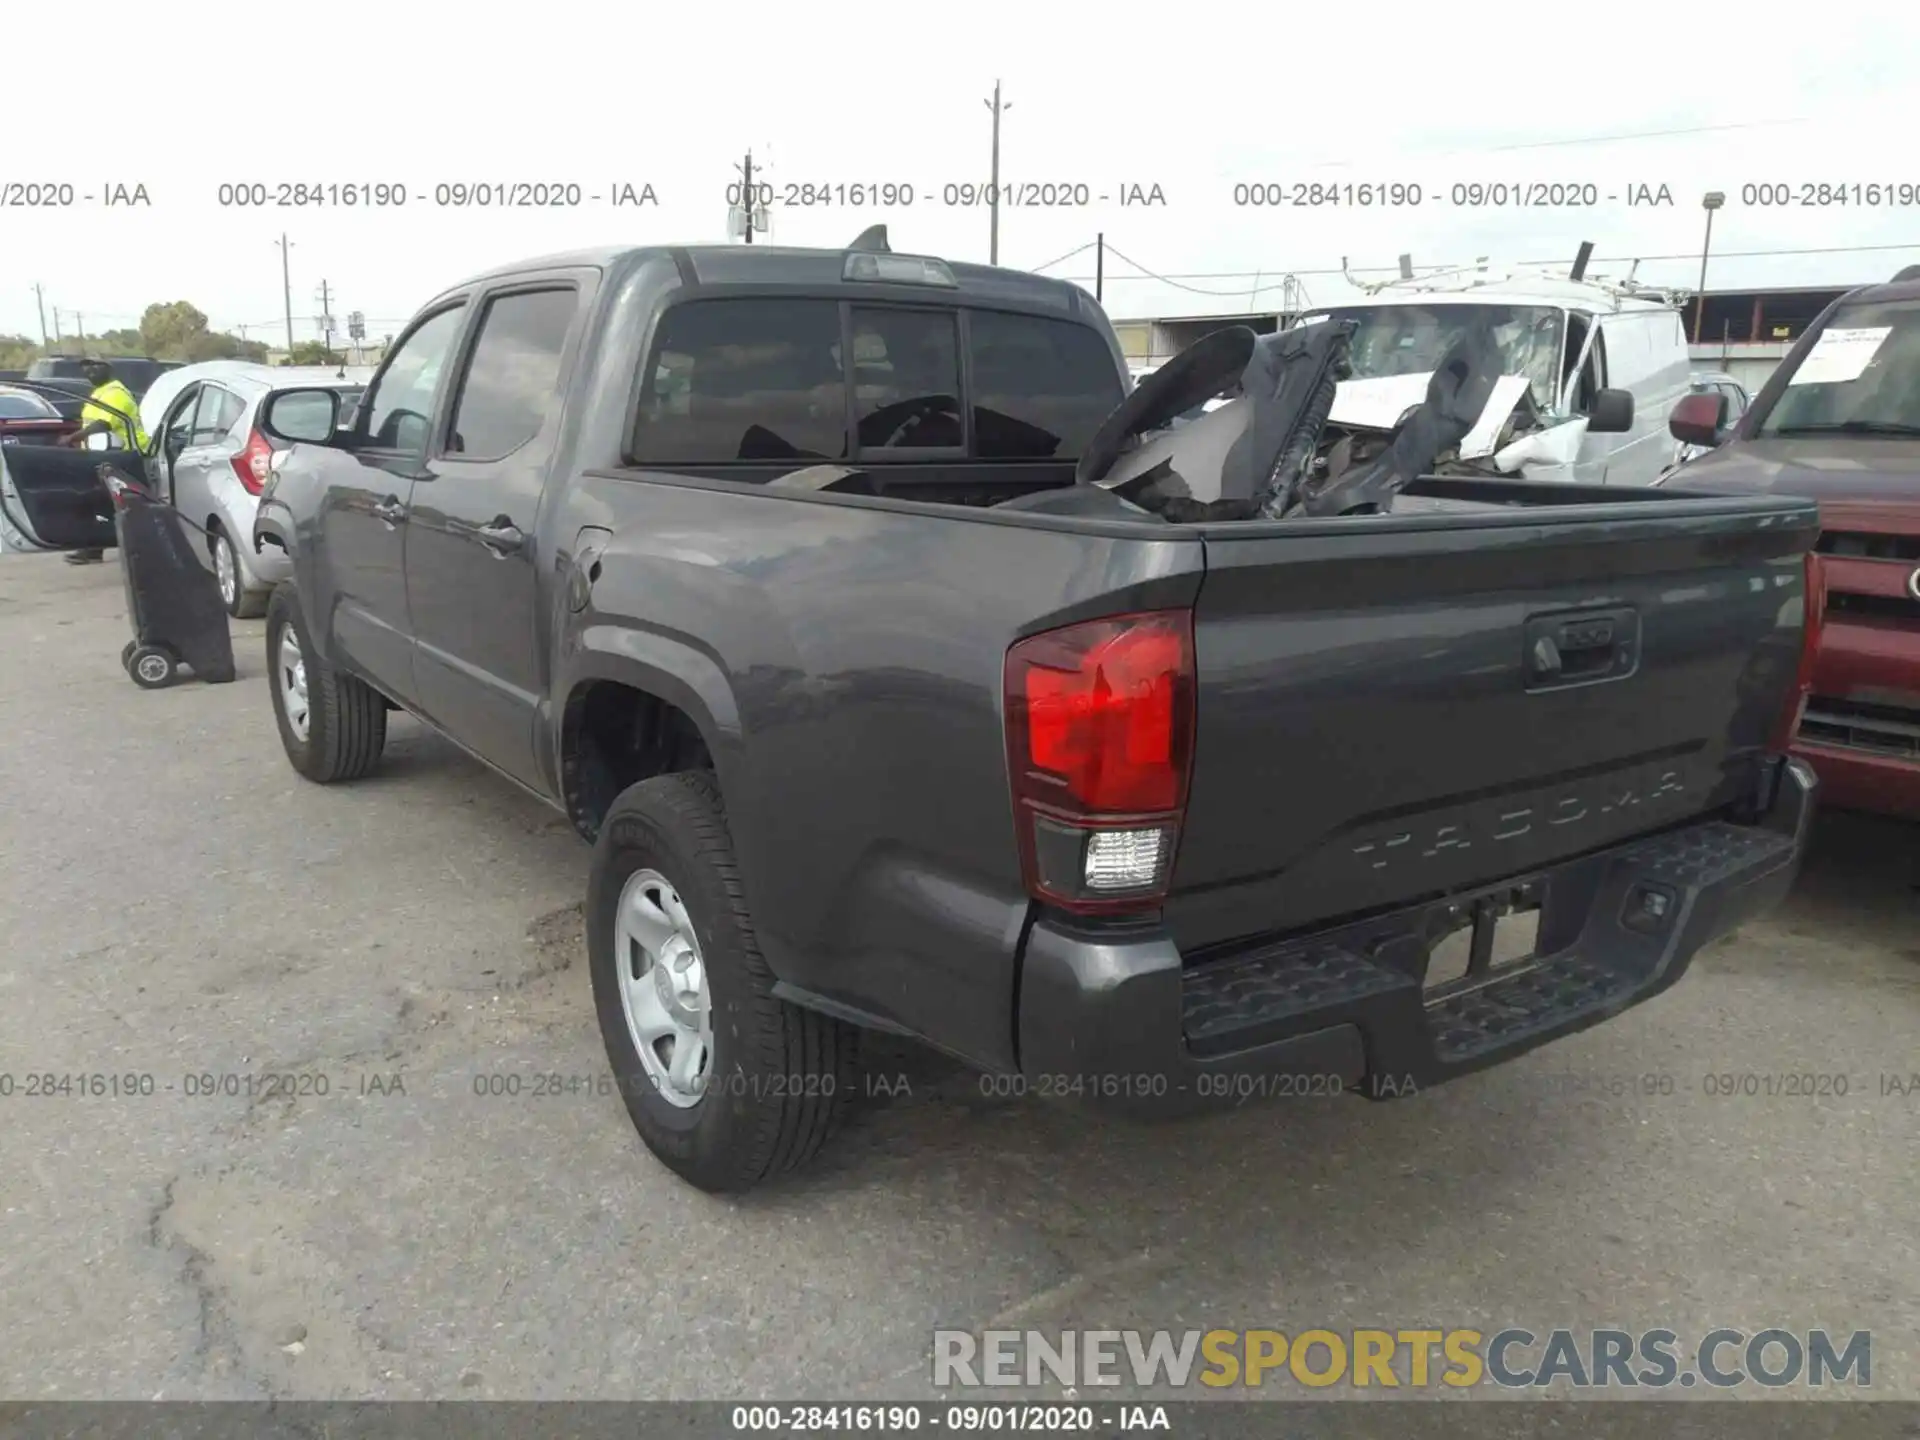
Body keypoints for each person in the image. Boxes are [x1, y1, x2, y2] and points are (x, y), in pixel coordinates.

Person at [60, 359, 149, 565]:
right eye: (85, 367)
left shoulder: (115, 392)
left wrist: (73, 437)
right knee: (100, 503)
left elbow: (104, 423)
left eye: (95, 365)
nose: (90, 370)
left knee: (123, 504)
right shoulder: (99, 394)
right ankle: (94, 548)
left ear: (109, 368)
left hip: (126, 455)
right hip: (105, 456)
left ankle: (138, 547)